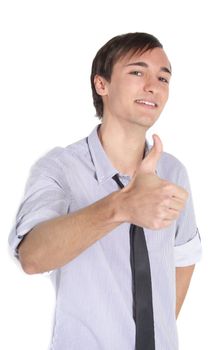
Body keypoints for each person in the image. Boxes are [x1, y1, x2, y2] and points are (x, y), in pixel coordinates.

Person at [9, 32, 202, 350]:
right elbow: (32, 257)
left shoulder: (173, 172)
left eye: (163, 78)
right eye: (137, 72)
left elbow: (185, 257)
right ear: (102, 85)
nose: (153, 86)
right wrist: (121, 206)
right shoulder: (60, 169)